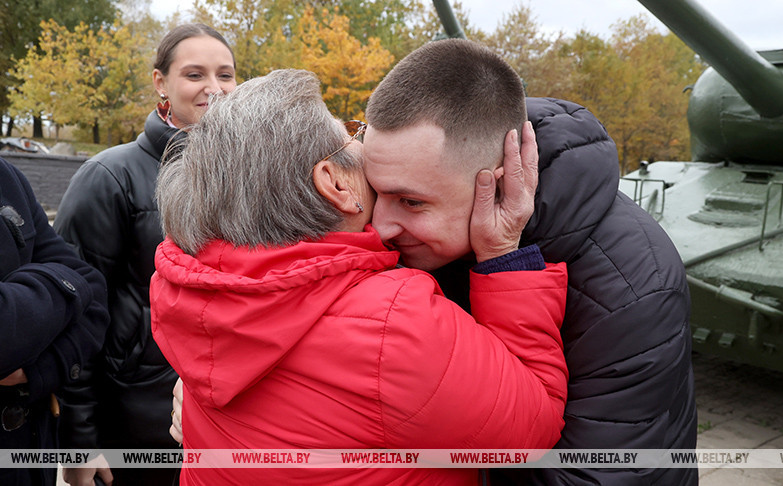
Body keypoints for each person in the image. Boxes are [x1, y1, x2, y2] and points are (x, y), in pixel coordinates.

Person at [149, 68, 568, 485]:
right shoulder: (394, 323)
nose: (362, 143)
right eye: (352, 133)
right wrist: (500, 255)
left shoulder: (196, 285)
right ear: (334, 183)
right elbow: (532, 429)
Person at [363, 39, 698, 485]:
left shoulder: (631, 286)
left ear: (501, 185)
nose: (380, 226)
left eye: (410, 201)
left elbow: (595, 477)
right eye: (375, 192)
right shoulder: (421, 232)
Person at [52, 23, 237, 486]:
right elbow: (75, 314)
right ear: (161, 83)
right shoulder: (108, 178)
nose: (214, 88)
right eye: (195, 75)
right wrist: (80, 442)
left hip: (224, 417)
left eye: (226, 75)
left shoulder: (249, 179)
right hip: (134, 423)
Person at [0, 157, 109, 486]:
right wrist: (62, 280)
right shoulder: (109, 177)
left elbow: (94, 289)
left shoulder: (8, 178)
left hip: (32, 456)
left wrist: (39, 370)